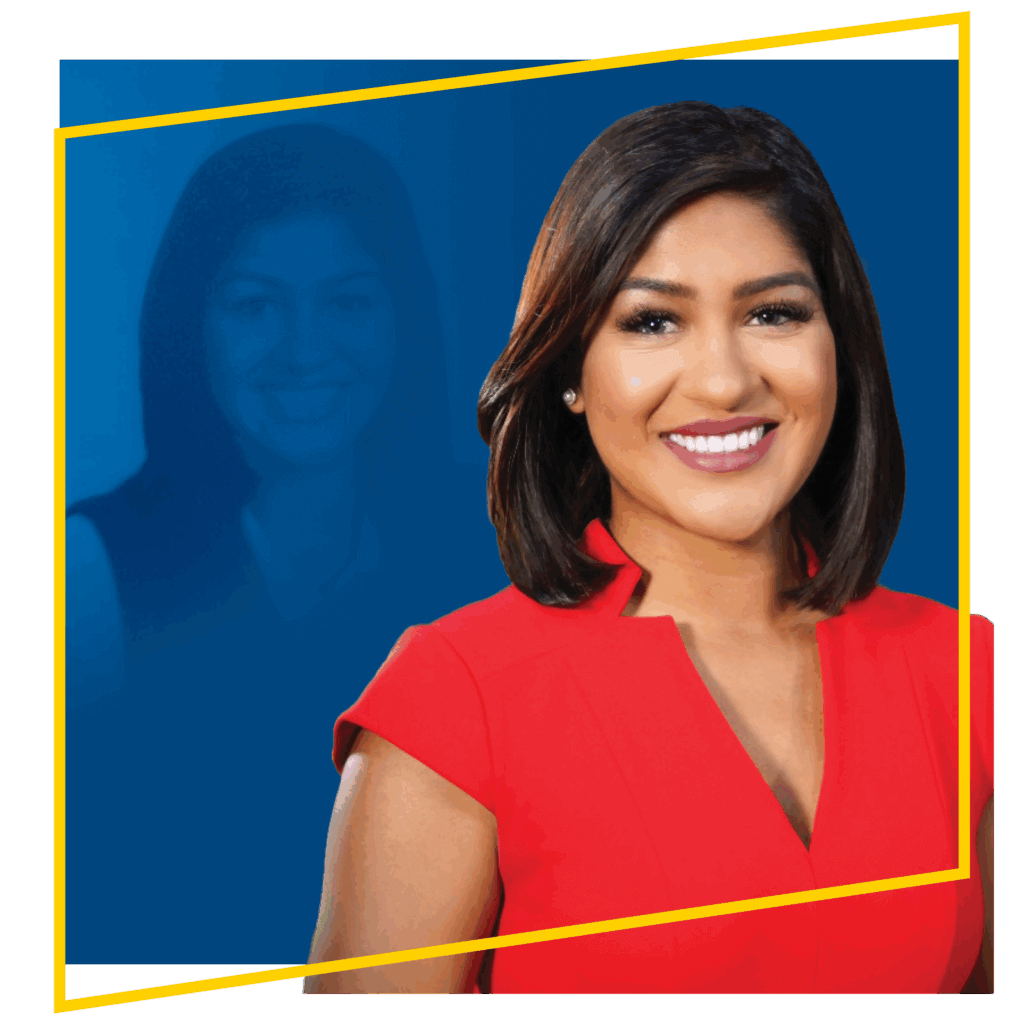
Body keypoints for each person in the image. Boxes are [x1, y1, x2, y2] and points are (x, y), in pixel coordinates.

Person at [304, 101, 994, 995]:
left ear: (840, 349)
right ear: (568, 372)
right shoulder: (454, 700)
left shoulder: (962, 670)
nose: (724, 381)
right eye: (653, 322)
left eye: (774, 313)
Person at [64, 124, 490, 964]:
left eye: (348, 302)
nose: (304, 350)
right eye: (255, 305)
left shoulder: (488, 544)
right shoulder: (90, 571)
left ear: (402, 319)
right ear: (193, 327)